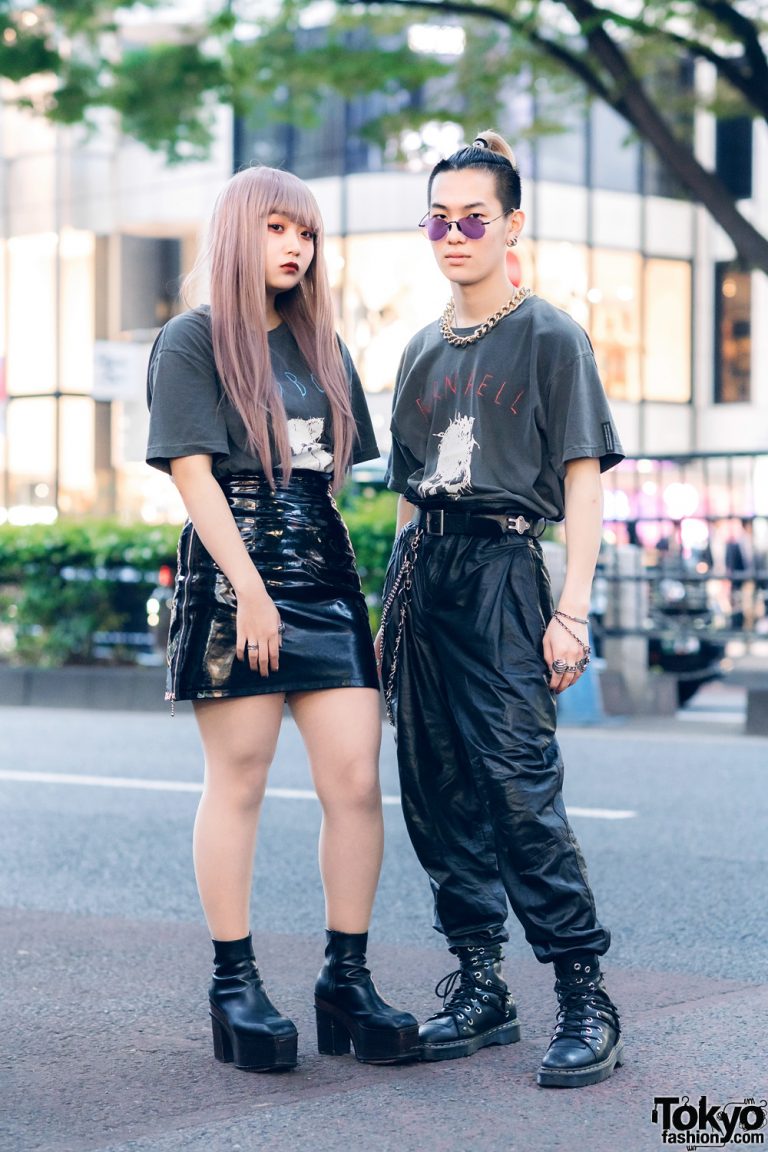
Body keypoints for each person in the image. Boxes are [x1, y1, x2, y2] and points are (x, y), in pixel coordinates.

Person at [146, 165, 419, 1073]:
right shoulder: (191, 341)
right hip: (235, 579)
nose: (295, 246)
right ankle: (235, 983)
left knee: (354, 779)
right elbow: (193, 477)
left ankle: (346, 977)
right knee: (243, 780)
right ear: (237, 234)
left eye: (305, 232)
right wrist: (251, 590)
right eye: (276, 228)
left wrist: (365, 597)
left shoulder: (326, 350)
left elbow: (335, 482)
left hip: (327, 576)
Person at [378, 131, 625, 1088]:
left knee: (520, 789)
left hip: (503, 571)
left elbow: (583, 481)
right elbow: (406, 489)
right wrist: (388, 601)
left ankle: (584, 996)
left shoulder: (553, 336)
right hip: (423, 575)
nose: (452, 234)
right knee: (435, 789)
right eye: (437, 219)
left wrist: (573, 609)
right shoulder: (418, 347)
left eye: (472, 218)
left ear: (511, 224)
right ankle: (482, 988)